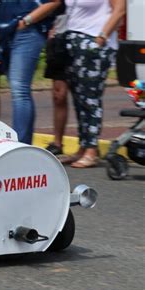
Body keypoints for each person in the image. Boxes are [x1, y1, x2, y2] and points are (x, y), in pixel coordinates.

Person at [62, 0, 125, 168]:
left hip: (94, 41)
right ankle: (83, 146)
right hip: (73, 40)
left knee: (91, 98)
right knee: (78, 99)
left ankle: (92, 150)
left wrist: (101, 38)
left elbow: (119, 10)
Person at [0, 0, 61, 144]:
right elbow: (2, 12)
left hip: (28, 32)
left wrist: (26, 21)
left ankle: (19, 142)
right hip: (7, 34)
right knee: (20, 90)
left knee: (19, 90)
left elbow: (54, 2)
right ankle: (25, 142)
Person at [44, 2, 68, 156]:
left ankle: (87, 143)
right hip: (59, 39)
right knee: (59, 96)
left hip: (82, 37)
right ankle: (57, 143)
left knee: (83, 98)